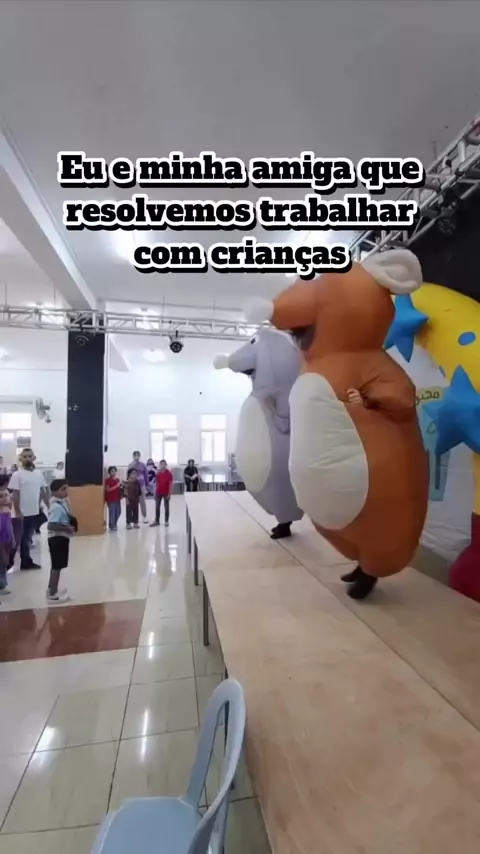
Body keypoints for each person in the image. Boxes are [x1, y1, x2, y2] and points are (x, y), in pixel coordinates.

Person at [9, 448, 49, 569]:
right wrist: (18, 511)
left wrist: (48, 506)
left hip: (34, 511)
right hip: (22, 513)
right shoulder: (17, 475)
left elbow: (43, 491)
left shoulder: (39, 474)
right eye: (25, 456)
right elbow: (15, 494)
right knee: (18, 539)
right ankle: (8, 563)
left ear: (34, 458)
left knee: (27, 538)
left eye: (29, 456)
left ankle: (25, 561)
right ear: (21, 458)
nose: (27, 458)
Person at [46, 478, 75, 603]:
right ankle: (52, 595)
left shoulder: (61, 502)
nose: (66, 491)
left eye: (66, 488)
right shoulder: (56, 507)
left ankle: (51, 588)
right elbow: (51, 525)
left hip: (62, 537)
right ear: (54, 491)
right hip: (57, 538)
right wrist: (67, 527)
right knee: (56, 567)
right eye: (63, 489)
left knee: (57, 565)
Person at [0, 483, 14, 595]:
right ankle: (2, 585)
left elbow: (9, 525)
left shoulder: (7, 510)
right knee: (2, 562)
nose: (5, 498)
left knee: (4, 563)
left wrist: (12, 538)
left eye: (6, 495)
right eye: (1, 496)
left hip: (7, 539)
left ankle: (3, 583)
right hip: (1, 541)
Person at [127, 451, 148, 523]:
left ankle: (144, 517)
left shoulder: (143, 465)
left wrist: (147, 485)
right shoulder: (130, 465)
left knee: (142, 501)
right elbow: (128, 475)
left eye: (137, 455)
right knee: (133, 502)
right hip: (133, 485)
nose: (136, 456)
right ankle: (133, 518)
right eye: (135, 455)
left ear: (139, 456)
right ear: (133, 456)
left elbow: (146, 475)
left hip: (141, 485)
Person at [151, 459, 173, 527]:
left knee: (166, 507)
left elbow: (170, 484)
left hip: (166, 492)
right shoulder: (158, 473)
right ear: (159, 465)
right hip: (158, 492)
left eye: (164, 464)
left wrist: (169, 494)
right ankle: (157, 520)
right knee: (157, 506)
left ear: (166, 465)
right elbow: (156, 483)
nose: (163, 466)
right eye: (161, 464)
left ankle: (166, 521)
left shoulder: (169, 473)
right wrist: (154, 493)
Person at [105, 465, 122, 531]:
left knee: (118, 512)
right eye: (112, 471)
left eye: (114, 471)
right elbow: (107, 490)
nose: (113, 473)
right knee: (112, 513)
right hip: (111, 500)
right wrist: (116, 486)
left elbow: (119, 488)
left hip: (117, 499)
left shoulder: (117, 480)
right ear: (109, 472)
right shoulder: (107, 480)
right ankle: (112, 526)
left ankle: (114, 523)